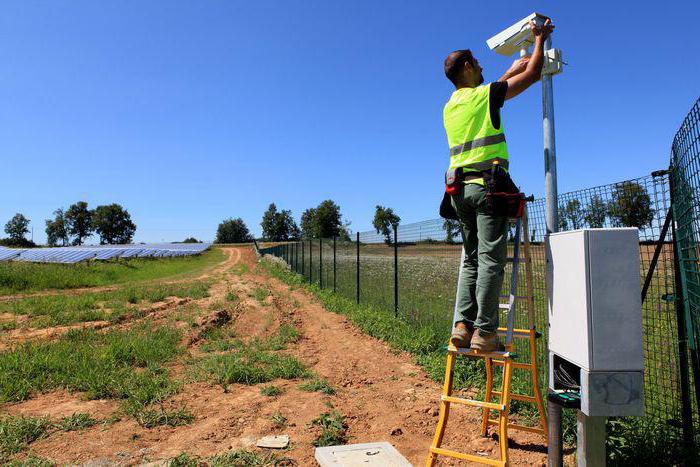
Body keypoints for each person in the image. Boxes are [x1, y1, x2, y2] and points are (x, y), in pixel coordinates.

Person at [442, 18, 554, 352]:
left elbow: (490, 95)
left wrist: (508, 71)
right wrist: (539, 40)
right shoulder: (483, 95)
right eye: (476, 63)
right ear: (466, 67)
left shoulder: (451, 105)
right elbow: (533, 76)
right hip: (487, 188)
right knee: (491, 260)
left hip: (458, 191)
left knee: (472, 260)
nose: (481, 67)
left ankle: (463, 327)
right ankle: (486, 333)